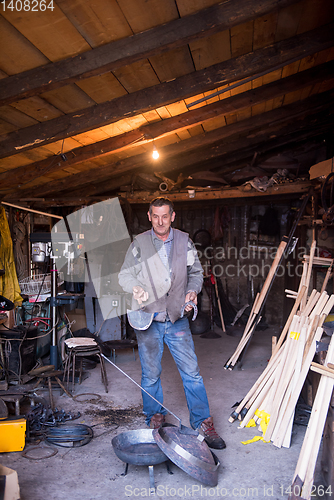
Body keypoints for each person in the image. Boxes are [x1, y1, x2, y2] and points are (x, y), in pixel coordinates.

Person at [118, 197, 225, 450]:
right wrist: (134, 287)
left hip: (176, 320)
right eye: (155, 216)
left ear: (172, 216)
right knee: (151, 375)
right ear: (149, 215)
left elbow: (196, 273)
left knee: (192, 374)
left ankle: (202, 423)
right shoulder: (139, 244)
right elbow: (124, 275)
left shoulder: (184, 241)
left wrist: (192, 291)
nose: (160, 221)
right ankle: (155, 418)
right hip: (149, 318)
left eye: (165, 216)